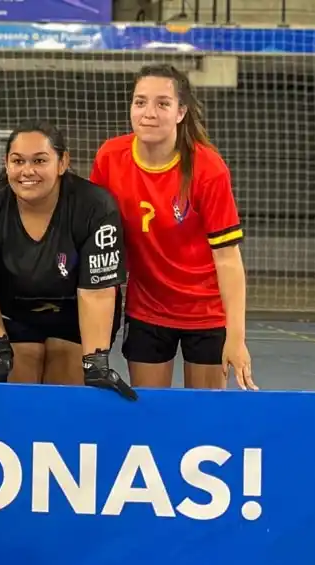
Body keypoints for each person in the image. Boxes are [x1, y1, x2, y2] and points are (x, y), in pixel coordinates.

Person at [91, 63, 256, 391]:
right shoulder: (110, 157)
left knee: (204, 421)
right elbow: (97, 240)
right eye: (140, 102)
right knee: (152, 417)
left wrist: (236, 338)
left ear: (181, 112)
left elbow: (227, 259)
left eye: (162, 103)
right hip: (147, 309)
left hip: (206, 313)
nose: (148, 113)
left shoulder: (208, 169)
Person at [0, 121, 135, 400]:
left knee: (64, 388)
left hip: (75, 311)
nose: (27, 171)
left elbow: (98, 293)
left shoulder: (95, 207)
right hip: (13, 312)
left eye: (40, 160)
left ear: (62, 162)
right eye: (18, 161)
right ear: (6, 164)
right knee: (20, 383)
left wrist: (95, 361)